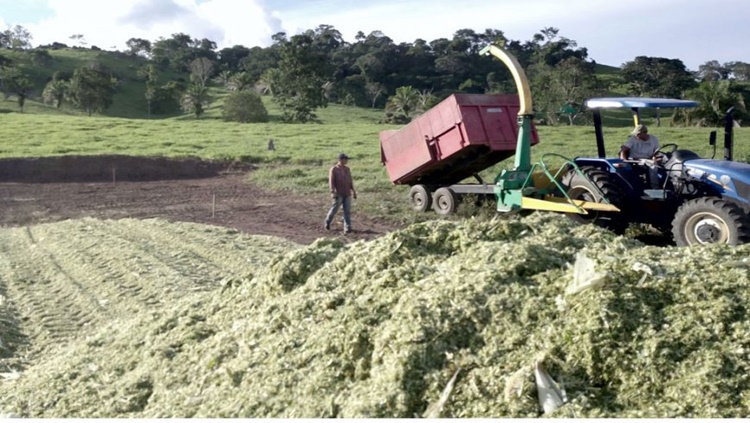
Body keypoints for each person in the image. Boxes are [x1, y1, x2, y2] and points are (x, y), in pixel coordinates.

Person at [619, 124, 662, 189]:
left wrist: (656, 158)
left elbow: (656, 152)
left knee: (666, 161)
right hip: (635, 160)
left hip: (648, 159)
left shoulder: (654, 139)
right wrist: (623, 159)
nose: (637, 135)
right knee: (653, 165)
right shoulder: (633, 139)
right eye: (636, 134)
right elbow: (623, 150)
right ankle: (655, 187)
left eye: (638, 134)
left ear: (645, 133)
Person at [324, 153, 357, 233]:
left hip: (347, 192)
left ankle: (347, 227)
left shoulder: (347, 169)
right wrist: (333, 191)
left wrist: (353, 191)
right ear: (340, 160)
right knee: (335, 209)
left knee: (347, 210)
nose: (346, 161)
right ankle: (327, 221)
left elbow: (350, 180)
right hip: (338, 193)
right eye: (345, 159)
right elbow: (331, 181)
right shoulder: (334, 169)